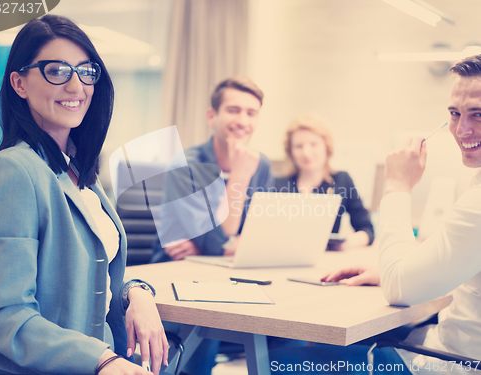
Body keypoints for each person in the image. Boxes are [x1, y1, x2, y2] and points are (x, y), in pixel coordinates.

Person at [270, 55, 481, 374]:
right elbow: (459, 262)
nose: (463, 129)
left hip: (451, 362)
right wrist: (393, 270)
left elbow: (400, 289)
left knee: (281, 359)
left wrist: (397, 186)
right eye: (454, 113)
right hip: (450, 346)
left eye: (477, 114)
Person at [0, 15, 168, 375]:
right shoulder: (12, 173)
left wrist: (136, 293)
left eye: (86, 71)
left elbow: (89, 274)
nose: (76, 85)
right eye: (57, 70)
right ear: (19, 83)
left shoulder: (79, 173)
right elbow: (7, 317)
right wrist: (103, 360)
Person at [150, 76, 272, 263]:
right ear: (211, 117)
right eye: (233, 110)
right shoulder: (185, 167)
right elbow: (217, 244)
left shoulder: (261, 164)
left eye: (251, 113)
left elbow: (263, 236)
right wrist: (240, 176)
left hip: (231, 267)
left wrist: (207, 249)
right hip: (176, 269)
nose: (242, 121)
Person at [274, 114, 374, 250]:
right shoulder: (277, 185)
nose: (306, 153)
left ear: (326, 146)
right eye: (298, 146)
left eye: (314, 144)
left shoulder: (342, 180)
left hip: (327, 260)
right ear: (290, 151)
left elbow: (366, 229)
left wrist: (346, 243)